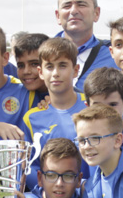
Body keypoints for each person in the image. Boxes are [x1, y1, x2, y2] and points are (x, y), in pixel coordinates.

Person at [22, 37, 86, 187]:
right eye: (49, 67)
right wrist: (49, 189)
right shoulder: (32, 118)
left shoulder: (91, 107)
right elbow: (29, 166)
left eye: (62, 65)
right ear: (41, 72)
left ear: (75, 70)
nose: (55, 73)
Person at [54, 0, 117, 87]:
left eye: (81, 4)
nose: (73, 11)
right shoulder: (40, 55)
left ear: (96, 13)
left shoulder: (114, 55)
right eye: (67, 5)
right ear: (58, 16)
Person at [13, 33, 49, 110]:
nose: (26, 71)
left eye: (34, 64)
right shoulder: (15, 94)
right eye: (21, 66)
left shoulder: (71, 97)